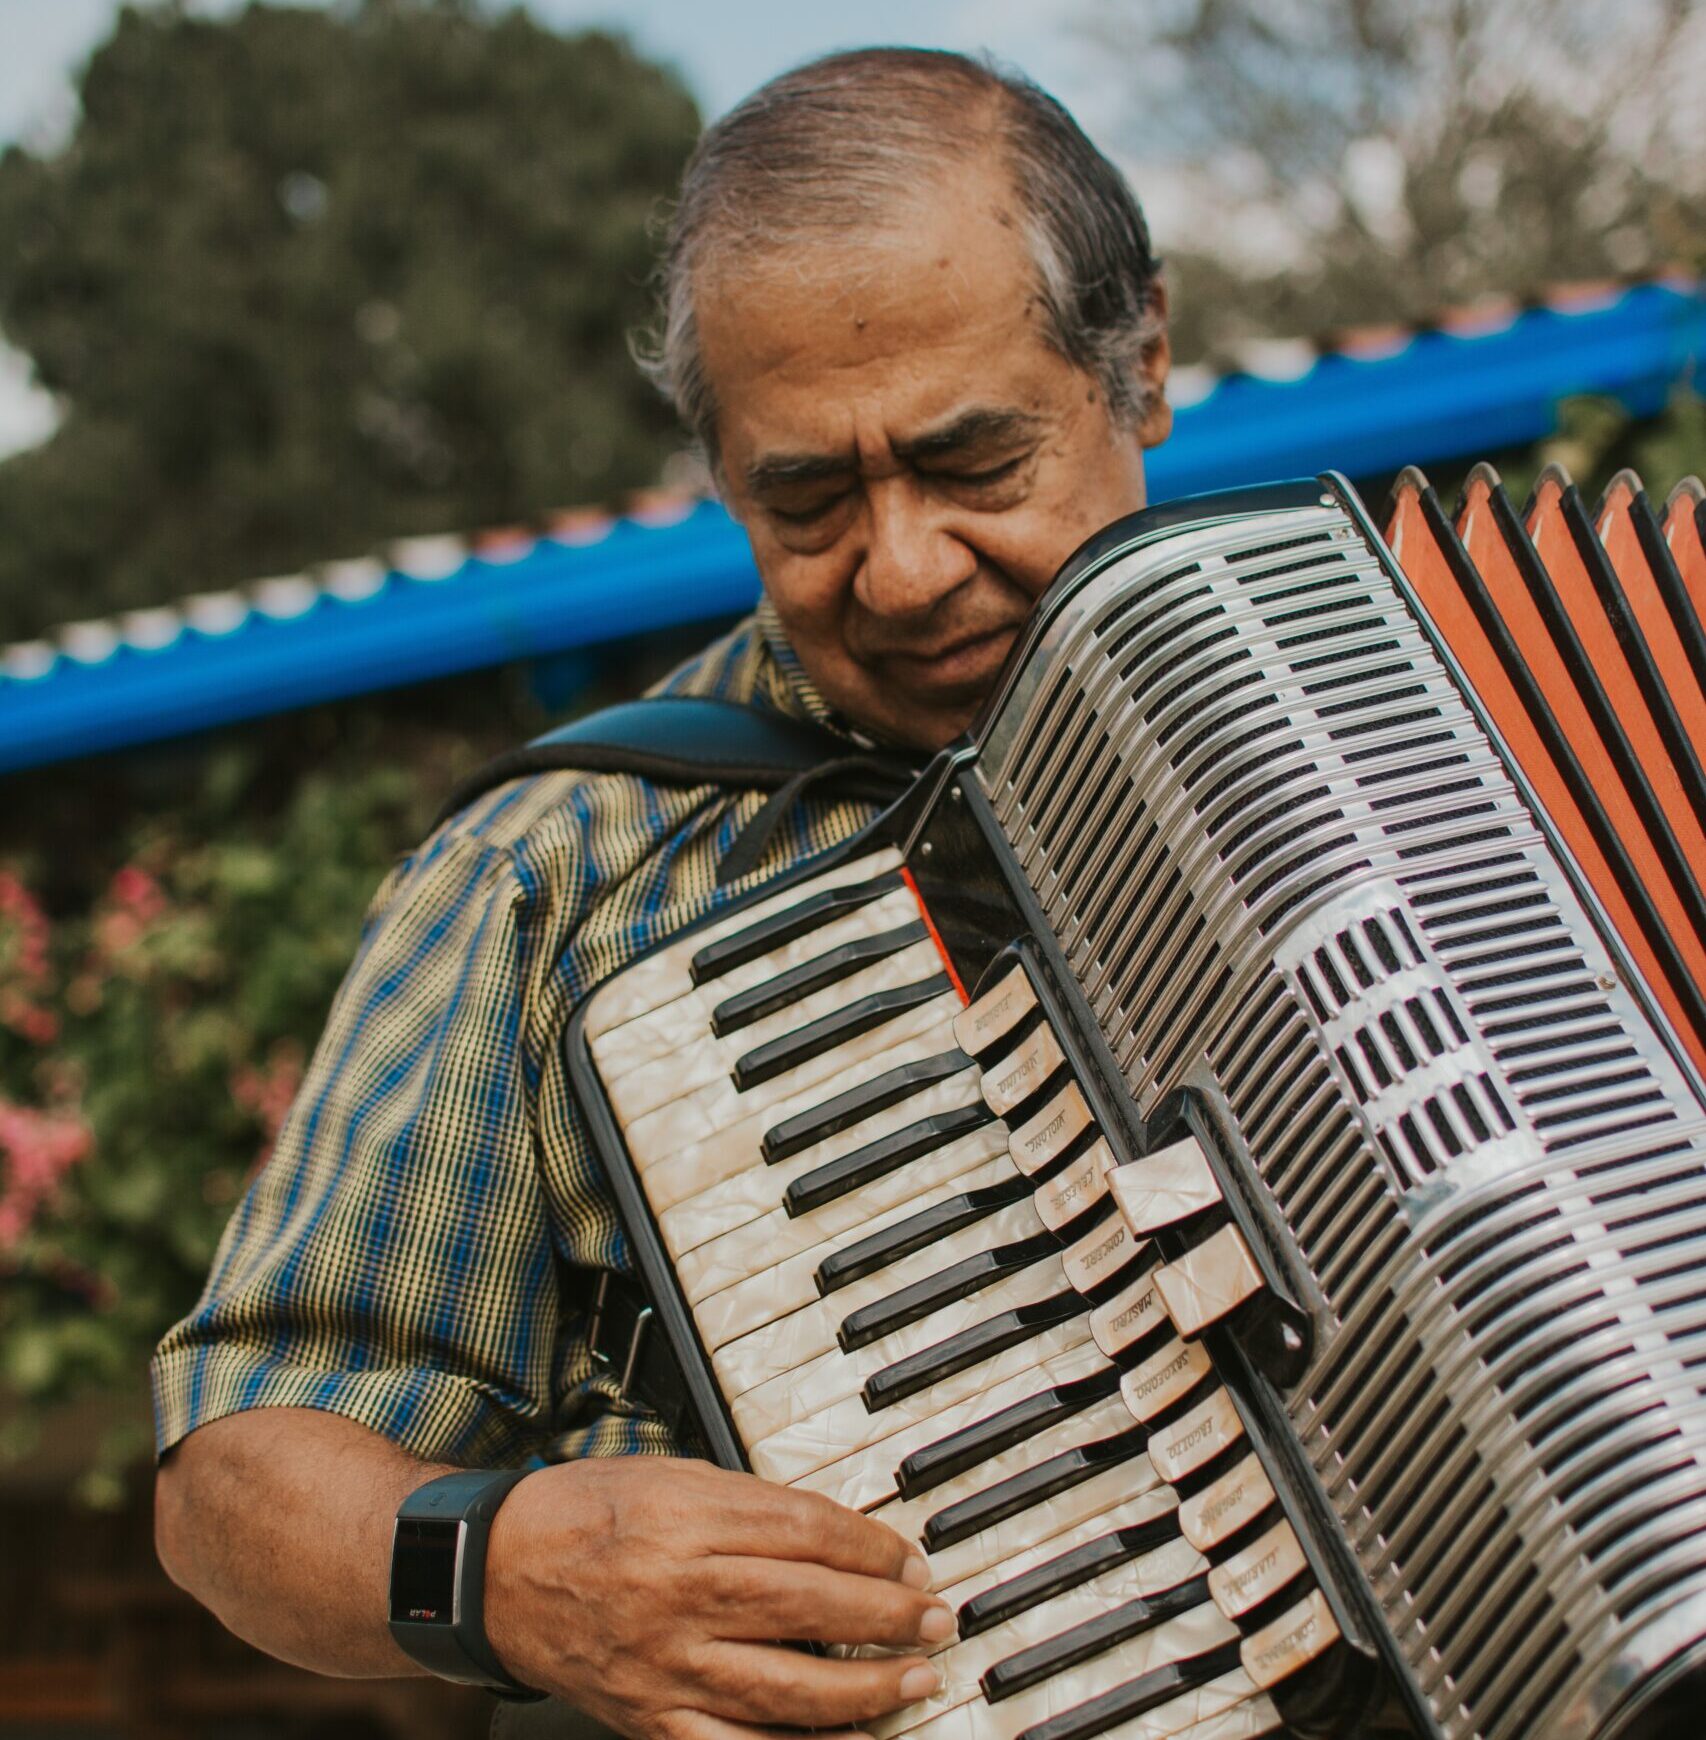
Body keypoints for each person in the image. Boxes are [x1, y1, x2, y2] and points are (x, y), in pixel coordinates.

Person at [150, 46, 1174, 1740]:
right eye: (809, 498)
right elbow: (232, 1475)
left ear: (1135, 367)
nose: (903, 568)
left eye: (976, 463)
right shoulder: (553, 872)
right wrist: (487, 1573)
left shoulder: (1442, 716)